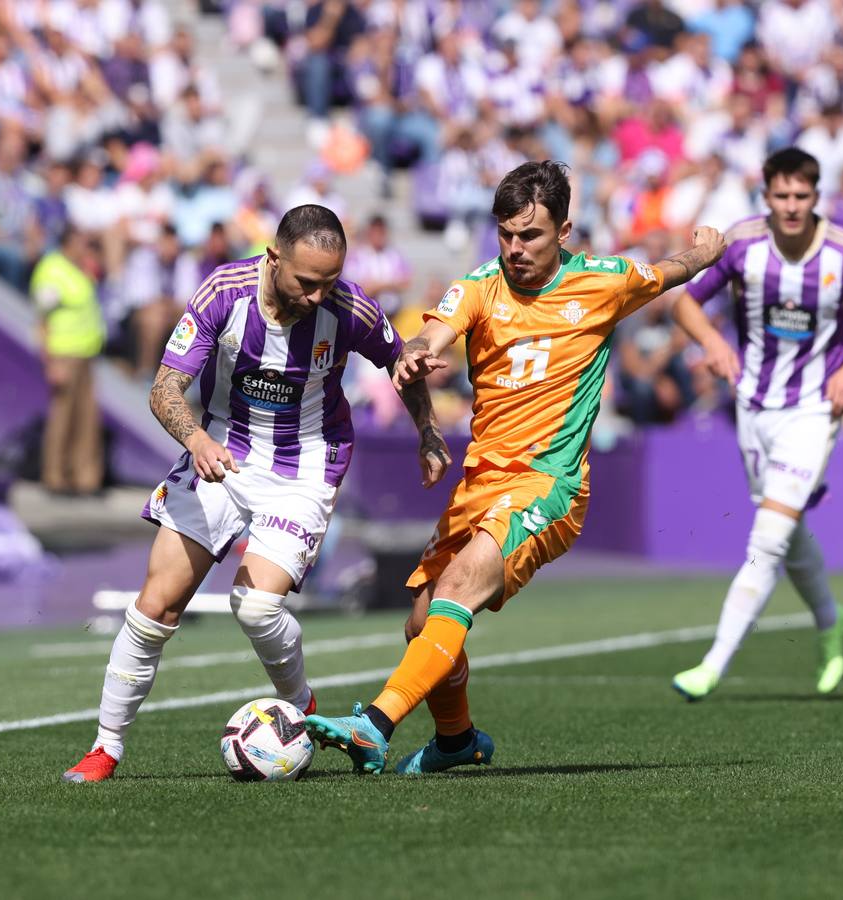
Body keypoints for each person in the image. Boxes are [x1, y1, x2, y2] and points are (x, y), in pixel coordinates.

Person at [303, 161, 726, 775]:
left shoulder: (604, 282)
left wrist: (704, 252)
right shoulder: (479, 286)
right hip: (481, 483)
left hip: (549, 484)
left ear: (565, 231)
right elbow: (434, 336)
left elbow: (669, 273)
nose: (514, 249)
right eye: (505, 235)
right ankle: (456, 741)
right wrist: (416, 357)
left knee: (456, 592)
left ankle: (374, 725)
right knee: (423, 623)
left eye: (529, 236)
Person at [61, 205, 450, 783]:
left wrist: (427, 431)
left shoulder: (348, 307)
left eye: (330, 282)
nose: (319, 296)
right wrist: (194, 438)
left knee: (257, 605)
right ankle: (105, 748)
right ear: (274, 258)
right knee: (154, 609)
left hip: (305, 463)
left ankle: (304, 707)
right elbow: (165, 386)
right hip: (220, 450)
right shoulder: (224, 292)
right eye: (307, 282)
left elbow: (405, 363)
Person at [668, 147, 843, 700]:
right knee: (787, 529)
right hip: (752, 404)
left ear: (816, 197)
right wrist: (712, 344)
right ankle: (831, 620)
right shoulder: (743, 245)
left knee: (769, 536)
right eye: (783, 196)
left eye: (802, 196)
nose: (793, 206)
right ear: (767, 196)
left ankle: (712, 663)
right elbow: (685, 303)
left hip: (815, 408)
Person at [32, 226, 107, 497]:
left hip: (87, 353)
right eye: (80, 243)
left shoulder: (80, 269)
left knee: (87, 418)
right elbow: (41, 321)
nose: (84, 248)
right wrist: (50, 362)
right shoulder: (51, 270)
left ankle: (85, 478)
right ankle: (55, 476)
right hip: (64, 354)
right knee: (62, 417)